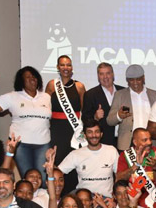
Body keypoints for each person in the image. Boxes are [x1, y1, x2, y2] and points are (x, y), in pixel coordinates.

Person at [0, 67, 51, 175]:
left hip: (43, 144)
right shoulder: (13, 96)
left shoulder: (46, 97)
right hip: (21, 145)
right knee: (27, 177)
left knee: (43, 179)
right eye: (28, 77)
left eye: (34, 76)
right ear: (21, 81)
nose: (32, 79)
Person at [44, 55, 86, 192]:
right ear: (58, 67)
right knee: (58, 160)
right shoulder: (51, 85)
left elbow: (83, 110)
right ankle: (56, 193)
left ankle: (73, 192)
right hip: (56, 129)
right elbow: (44, 107)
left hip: (74, 130)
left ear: (72, 67)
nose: (65, 68)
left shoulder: (79, 86)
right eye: (62, 65)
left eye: (68, 65)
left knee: (75, 160)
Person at [58, 118, 119, 197]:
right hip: (83, 199)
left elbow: (119, 176)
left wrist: (115, 198)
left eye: (97, 132)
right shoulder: (76, 154)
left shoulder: (111, 150)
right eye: (90, 132)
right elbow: (58, 172)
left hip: (106, 199)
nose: (94, 135)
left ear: (101, 134)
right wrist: (50, 165)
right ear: (84, 135)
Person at [116, 128, 156, 208]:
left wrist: (155, 167)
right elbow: (119, 179)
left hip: (153, 201)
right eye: (145, 140)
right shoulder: (125, 155)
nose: (149, 142)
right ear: (135, 142)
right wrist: (136, 165)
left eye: (150, 139)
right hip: (132, 200)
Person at [107, 64, 156, 151]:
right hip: (127, 143)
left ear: (143, 78)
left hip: (149, 143)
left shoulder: (154, 94)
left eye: (138, 79)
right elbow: (109, 120)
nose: (135, 82)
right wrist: (119, 116)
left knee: (150, 165)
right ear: (127, 80)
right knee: (128, 165)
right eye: (131, 80)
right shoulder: (120, 95)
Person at [81, 62, 124, 146]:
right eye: (101, 74)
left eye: (108, 73)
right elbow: (85, 119)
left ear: (113, 74)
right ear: (98, 76)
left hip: (124, 140)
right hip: (103, 142)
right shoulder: (90, 94)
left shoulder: (124, 91)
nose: (105, 77)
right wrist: (95, 117)